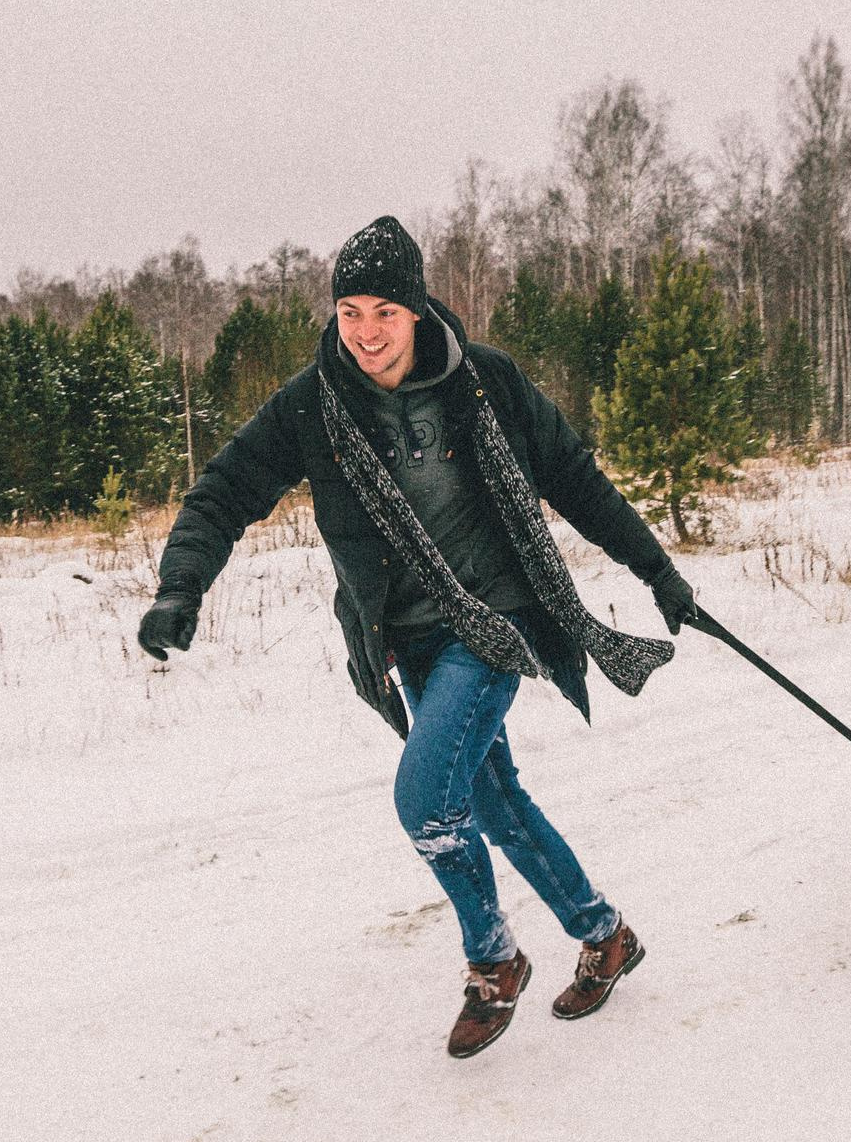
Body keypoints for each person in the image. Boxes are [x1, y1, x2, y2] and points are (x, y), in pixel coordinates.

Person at [137, 216, 697, 1059]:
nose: (364, 332)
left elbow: (575, 477)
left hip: (496, 623)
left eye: (383, 313)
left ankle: (493, 961)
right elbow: (224, 490)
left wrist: (658, 572)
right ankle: (604, 932)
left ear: (418, 309)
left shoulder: (486, 383)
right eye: (349, 311)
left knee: (425, 798)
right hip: (410, 643)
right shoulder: (312, 406)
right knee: (495, 803)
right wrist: (181, 587)